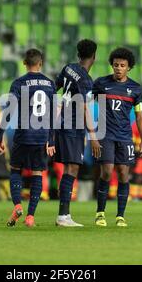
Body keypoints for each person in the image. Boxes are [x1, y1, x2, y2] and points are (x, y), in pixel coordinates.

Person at [0, 49, 56, 228]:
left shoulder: (19, 83)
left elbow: (9, 110)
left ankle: (17, 205)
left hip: (23, 135)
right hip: (41, 136)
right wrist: (51, 139)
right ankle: (30, 216)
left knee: (15, 170)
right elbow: (54, 114)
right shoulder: (49, 84)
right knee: (37, 173)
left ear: (24, 63)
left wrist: (0, 135)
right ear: (41, 63)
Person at [92, 47, 142, 227]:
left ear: (129, 67)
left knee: (123, 174)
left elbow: (139, 116)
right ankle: (100, 213)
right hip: (105, 135)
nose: (118, 68)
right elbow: (86, 104)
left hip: (124, 137)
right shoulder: (100, 84)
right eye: (115, 65)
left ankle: (120, 215)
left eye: (122, 65)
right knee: (106, 172)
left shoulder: (136, 89)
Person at [54, 39, 101, 227]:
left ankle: (63, 214)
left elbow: (54, 87)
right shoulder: (86, 80)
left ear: (78, 54)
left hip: (62, 124)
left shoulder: (68, 68)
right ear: (94, 57)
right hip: (73, 126)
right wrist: (94, 136)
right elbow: (84, 108)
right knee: (72, 168)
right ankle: (63, 216)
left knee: (69, 168)